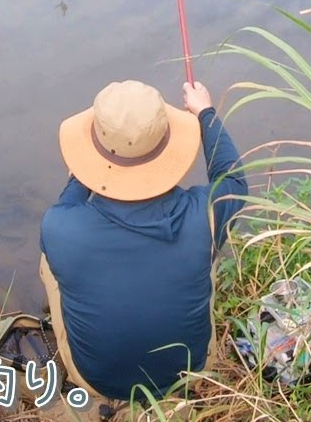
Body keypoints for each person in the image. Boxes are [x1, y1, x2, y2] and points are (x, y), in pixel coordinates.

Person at [39, 78, 247, 411]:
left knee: (49, 262)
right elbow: (234, 179)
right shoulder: (205, 215)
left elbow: (68, 205)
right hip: (186, 372)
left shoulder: (59, 226)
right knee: (205, 252)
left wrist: (89, 167)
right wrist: (205, 113)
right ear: (167, 145)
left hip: (94, 377)